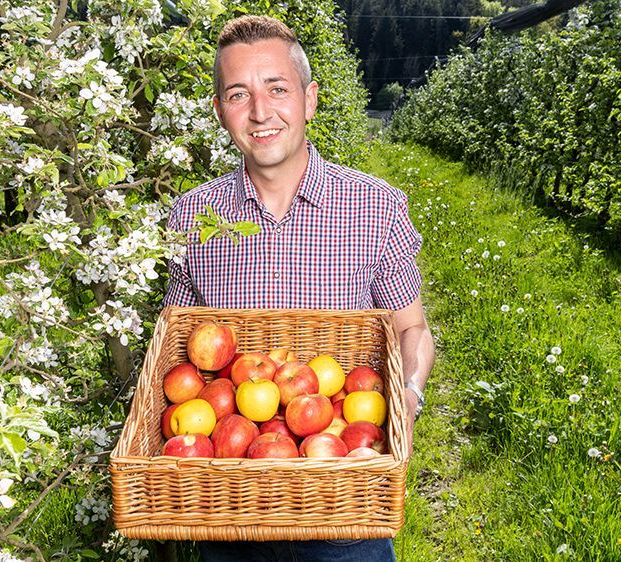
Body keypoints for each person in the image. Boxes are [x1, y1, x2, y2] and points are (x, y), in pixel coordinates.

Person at [162, 15, 435, 562]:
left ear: (309, 100)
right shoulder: (193, 215)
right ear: (220, 112)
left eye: (277, 89)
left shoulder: (375, 207)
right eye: (239, 94)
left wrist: (405, 400)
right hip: (228, 506)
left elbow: (412, 328)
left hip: (343, 508)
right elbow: (177, 346)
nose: (261, 112)